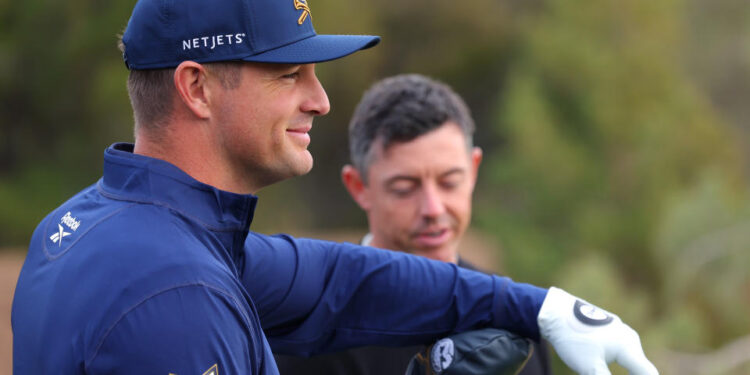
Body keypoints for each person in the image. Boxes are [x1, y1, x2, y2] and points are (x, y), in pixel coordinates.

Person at [11, 0, 659, 374]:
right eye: (289, 73)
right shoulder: (176, 294)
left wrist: (541, 306)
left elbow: (345, 282)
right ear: (196, 88)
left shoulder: (119, 226)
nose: (320, 100)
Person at [275, 74, 553, 374]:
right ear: (358, 186)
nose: (433, 208)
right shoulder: (307, 334)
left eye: (449, 182)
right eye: (405, 187)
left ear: (473, 171)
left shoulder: (514, 319)